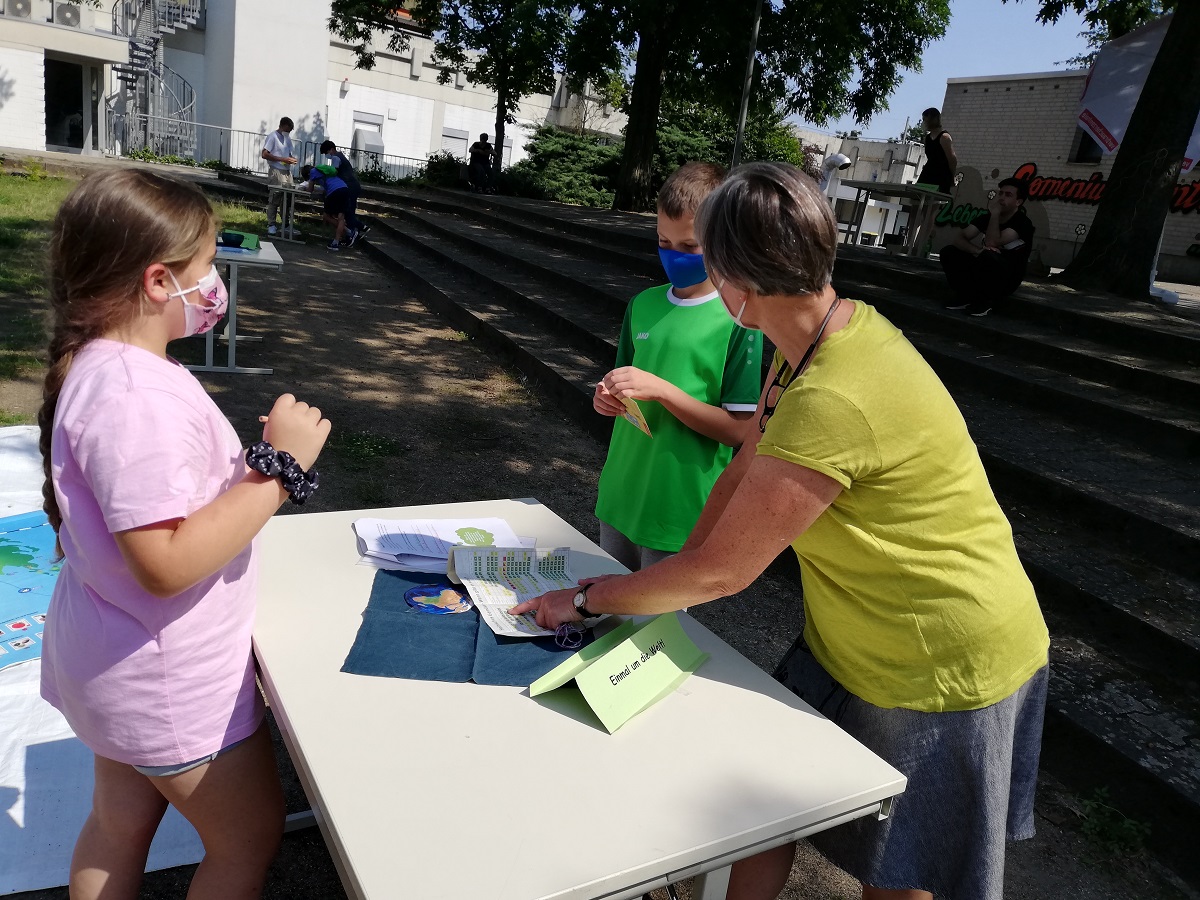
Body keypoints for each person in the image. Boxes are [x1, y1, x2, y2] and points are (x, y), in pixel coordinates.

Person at [512, 161, 1049, 900]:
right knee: (767, 804)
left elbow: (725, 575)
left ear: (739, 283)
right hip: (857, 631)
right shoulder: (816, 339)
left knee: (897, 874)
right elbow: (738, 477)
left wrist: (588, 600)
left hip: (944, 655)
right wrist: (680, 564)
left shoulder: (835, 393)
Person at [36, 169, 331, 900]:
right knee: (247, 838)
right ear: (160, 280)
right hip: (170, 685)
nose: (215, 283)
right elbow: (165, 563)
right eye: (206, 267)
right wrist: (279, 470)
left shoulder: (111, 368)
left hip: (115, 665)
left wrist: (241, 472)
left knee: (117, 823)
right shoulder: (136, 397)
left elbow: (155, 512)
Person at [592, 161, 761, 572]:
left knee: (657, 633)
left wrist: (664, 391)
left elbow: (739, 430)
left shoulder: (741, 319)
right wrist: (605, 398)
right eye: (663, 242)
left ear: (723, 243)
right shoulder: (643, 305)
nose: (672, 256)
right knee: (602, 613)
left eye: (689, 247)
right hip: (621, 495)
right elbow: (621, 384)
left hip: (679, 507)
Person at [940, 177, 1035, 316]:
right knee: (949, 252)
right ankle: (964, 297)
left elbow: (992, 242)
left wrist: (995, 214)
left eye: (1008, 195)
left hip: (1007, 277)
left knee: (989, 256)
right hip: (983, 266)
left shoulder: (1022, 223)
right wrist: (977, 250)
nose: (1001, 198)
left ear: (1018, 202)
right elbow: (960, 238)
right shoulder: (986, 218)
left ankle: (984, 303)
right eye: (1000, 193)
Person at [911, 107, 957, 256]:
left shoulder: (944, 137)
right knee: (920, 207)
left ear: (933, 119)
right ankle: (919, 238)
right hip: (928, 173)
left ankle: (919, 244)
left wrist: (952, 177)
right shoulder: (928, 137)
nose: (924, 122)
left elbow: (952, 159)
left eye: (926, 119)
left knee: (931, 210)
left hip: (940, 175)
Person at [300, 163, 356, 250]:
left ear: (307, 174)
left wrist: (304, 188)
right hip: (344, 188)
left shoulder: (313, 172)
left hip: (334, 192)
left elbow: (310, 190)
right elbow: (326, 186)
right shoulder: (322, 170)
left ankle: (347, 233)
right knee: (341, 217)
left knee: (326, 216)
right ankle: (338, 241)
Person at [320, 139, 369, 238]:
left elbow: (333, 173)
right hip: (353, 186)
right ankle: (358, 231)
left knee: (347, 212)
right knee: (349, 211)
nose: (327, 155)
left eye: (326, 152)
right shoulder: (341, 156)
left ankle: (356, 231)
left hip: (349, 187)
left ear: (332, 149)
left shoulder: (336, 158)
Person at [261, 117, 299, 237]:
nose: (289, 132)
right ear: (282, 126)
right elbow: (265, 154)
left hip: (287, 171)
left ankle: (286, 224)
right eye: (288, 129)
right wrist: (282, 159)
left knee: (287, 199)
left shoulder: (287, 139)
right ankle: (271, 224)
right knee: (275, 197)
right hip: (276, 170)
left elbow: (288, 153)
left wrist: (291, 159)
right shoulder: (273, 136)